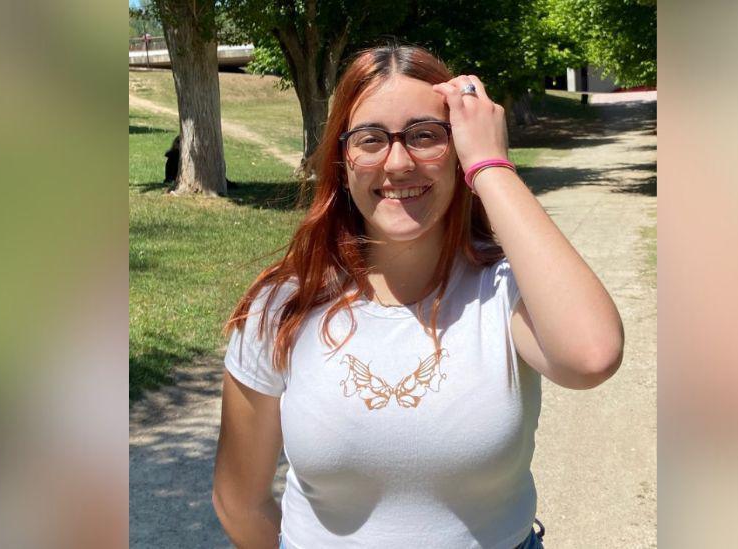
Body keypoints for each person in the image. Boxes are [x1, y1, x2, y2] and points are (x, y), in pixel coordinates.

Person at [212, 44, 624, 549]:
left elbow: (591, 355)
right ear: (342, 161)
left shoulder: (505, 289)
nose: (399, 162)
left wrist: (492, 167)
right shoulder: (282, 306)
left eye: (426, 136)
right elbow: (240, 502)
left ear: (460, 150)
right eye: (370, 140)